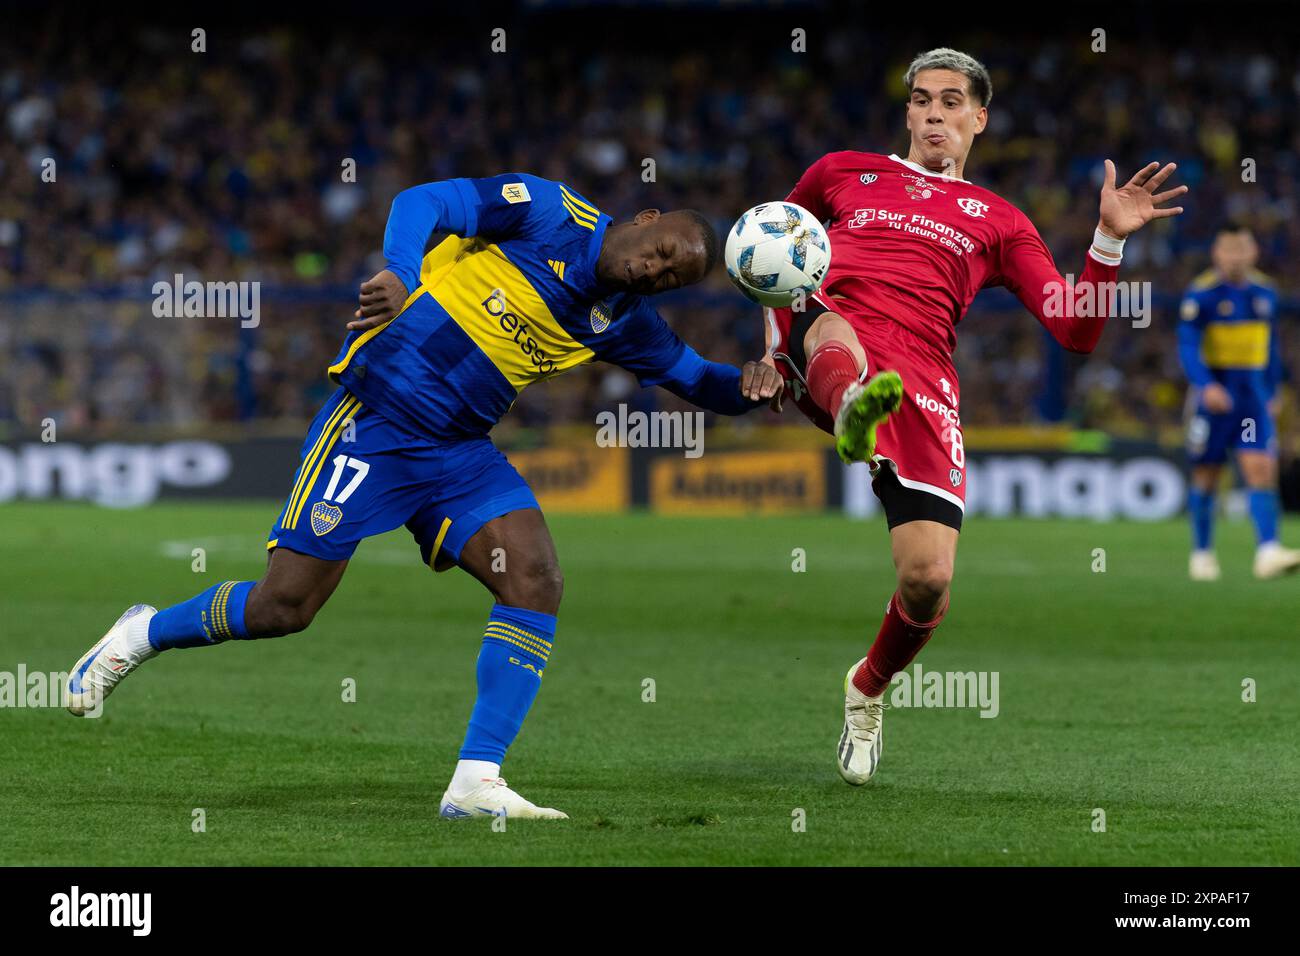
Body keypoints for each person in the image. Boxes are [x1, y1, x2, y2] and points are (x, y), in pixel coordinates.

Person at [65, 173, 783, 820]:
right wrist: (401, 274)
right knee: (285, 607)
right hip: (378, 416)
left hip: (457, 451)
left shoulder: (623, 321)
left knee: (535, 578)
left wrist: (752, 385)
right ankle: (142, 632)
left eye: (670, 278)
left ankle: (476, 780)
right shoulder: (550, 211)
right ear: (646, 216)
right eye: (660, 253)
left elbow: (695, 378)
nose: (654, 273)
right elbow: (425, 202)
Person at [749, 48, 1187, 785]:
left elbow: (1074, 329)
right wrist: (769, 349)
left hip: (922, 383)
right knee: (829, 326)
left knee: (927, 580)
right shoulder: (840, 172)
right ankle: (851, 404)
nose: (933, 113)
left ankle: (866, 689)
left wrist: (1107, 241)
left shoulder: (1000, 222)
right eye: (921, 99)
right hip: (833, 338)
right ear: (908, 112)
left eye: (951, 102)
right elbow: (771, 255)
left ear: (979, 119)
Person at [1180, 224, 1299, 580]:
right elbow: (1187, 346)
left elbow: (1271, 345)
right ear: (1216, 253)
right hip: (1214, 400)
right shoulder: (1201, 295)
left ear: (1253, 252)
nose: (1235, 257)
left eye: (1241, 249)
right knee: (1207, 475)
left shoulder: (1266, 292)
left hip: (1251, 399)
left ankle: (1268, 551)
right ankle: (1202, 554)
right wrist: (1204, 385)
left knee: (1261, 470)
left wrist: (1273, 389)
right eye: (1228, 249)